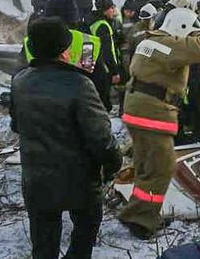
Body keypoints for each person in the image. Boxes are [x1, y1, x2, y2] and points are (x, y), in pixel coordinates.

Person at [11, 17, 122, 259]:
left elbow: (16, 125)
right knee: (85, 232)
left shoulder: (19, 81)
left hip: (37, 177)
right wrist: (114, 161)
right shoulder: (80, 84)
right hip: (79, 178)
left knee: (43, 242)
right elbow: (100, 138)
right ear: (64, 48)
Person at [119, 8, 200, 239]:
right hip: (152, 111)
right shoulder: (168, 45)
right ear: (181, 28)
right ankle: (141, 221)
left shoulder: (150, 41)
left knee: (145, 165)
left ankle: (135, 212)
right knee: (162, 167)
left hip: (136, 107)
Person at [23, 0, 99, 71]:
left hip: (36, 82)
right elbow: (92, 78)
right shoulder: (87, 42)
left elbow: (19, 75)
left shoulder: (34, 40)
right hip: (75, 81)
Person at [90, 0, 121, 111]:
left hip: (96, 67)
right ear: (105, 10)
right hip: (104, 69)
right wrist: (115, 71)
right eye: (111, 8)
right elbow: (107, 51)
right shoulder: (103, 26)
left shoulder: (94, 22)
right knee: (104, 102)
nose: (113, 10)